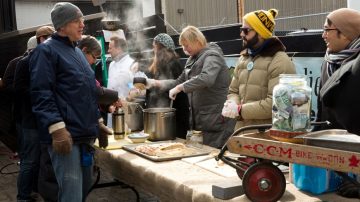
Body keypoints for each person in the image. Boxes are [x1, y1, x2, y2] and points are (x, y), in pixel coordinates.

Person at [29, 3, 108, 202]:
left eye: (82, 20)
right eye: (76, 20)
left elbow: (87, 92)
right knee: (71, 195)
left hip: (84, 135)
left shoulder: (77, 53)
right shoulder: (46, 52)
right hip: (67, 137)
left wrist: (97, 123)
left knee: (83, 190)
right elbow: (41, 93)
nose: (83, 24)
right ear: (62, 25)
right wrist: (57, 129)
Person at [147, 26, 230, 148]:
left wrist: (181, 87)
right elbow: (179, 81)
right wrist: (155, 83)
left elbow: (206, 78)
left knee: (214, 156)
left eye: (186, 45)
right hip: (200, 120)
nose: (184, 49)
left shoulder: (212, 55)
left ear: (197, 41)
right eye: (183, 46)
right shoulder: (192, 59)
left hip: (215, 119)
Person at [221, 9, 295, 131]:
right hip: (242, 132)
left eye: (245, 30)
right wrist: (232, 104)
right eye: (241, 30)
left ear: (260, 33)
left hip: (268, 137)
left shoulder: (280, 61)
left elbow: (278, 103)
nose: (241, 34)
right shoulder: (243, 58)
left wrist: (240, 110)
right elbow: (233, 91)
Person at [316, 8, 360, 198]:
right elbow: (322, 113)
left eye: (328, 30)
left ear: (345, 33)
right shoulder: (328, 61)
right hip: (335, 164)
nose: (323, 35)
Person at [14, 26, 55, 202]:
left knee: (39, 161)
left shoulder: (49, 61)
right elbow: (17, 89)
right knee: (29, 161)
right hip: (30, 120)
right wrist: (40, 92)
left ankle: (34, 191)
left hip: (44, 119)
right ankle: (22, 197)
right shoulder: (24, 62)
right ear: (41, 39)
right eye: (50, 39)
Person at [141, 33, 189, 138]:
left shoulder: (172, 64)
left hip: (172, 117)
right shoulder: (163, 64)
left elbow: (173, 86)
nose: (153, 50)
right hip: (166, 117)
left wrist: (153, 84)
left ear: (160, 48)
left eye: (154, 47)